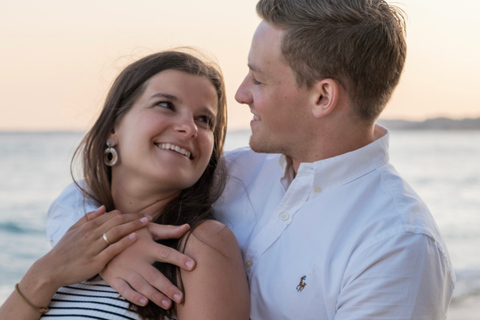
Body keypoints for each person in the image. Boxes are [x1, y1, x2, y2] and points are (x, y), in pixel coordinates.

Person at [46, 0, 455, 319]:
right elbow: (85, 193)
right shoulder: (235, 172)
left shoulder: (398, 245)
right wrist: (114, 248)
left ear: (322, 97)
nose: (240, 94)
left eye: (258, 79)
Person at [1, 50, 250, 320]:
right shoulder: (75, 240)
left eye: (205, 120)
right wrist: (45, 273)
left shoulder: (202, 244)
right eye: (166, 105)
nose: (190, 128)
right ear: (113, 127)